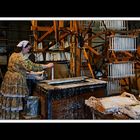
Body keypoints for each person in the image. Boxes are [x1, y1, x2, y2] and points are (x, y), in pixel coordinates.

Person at [0, 40, 54, 119]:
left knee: (10, 100)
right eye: (28, 49)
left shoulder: (13, 54)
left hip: (9, 79)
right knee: (15, 100)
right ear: (23, 48)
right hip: (15, 81)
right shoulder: (21, 57)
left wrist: (34, 76)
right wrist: (47, 66)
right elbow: (31, 66)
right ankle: (13, 118)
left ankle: (7, 117)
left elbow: (21, 69)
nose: (28, 51)